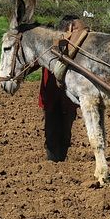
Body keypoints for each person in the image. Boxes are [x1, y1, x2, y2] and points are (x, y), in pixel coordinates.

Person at [38, 15, 86, 162]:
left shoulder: (79, 46)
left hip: (68, 98)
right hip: (51, 96)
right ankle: (52, 161)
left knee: (66, 132)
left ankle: (62, 160)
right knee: (51, 131)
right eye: (76, 27)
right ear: (68, 28)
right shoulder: (49, 44)